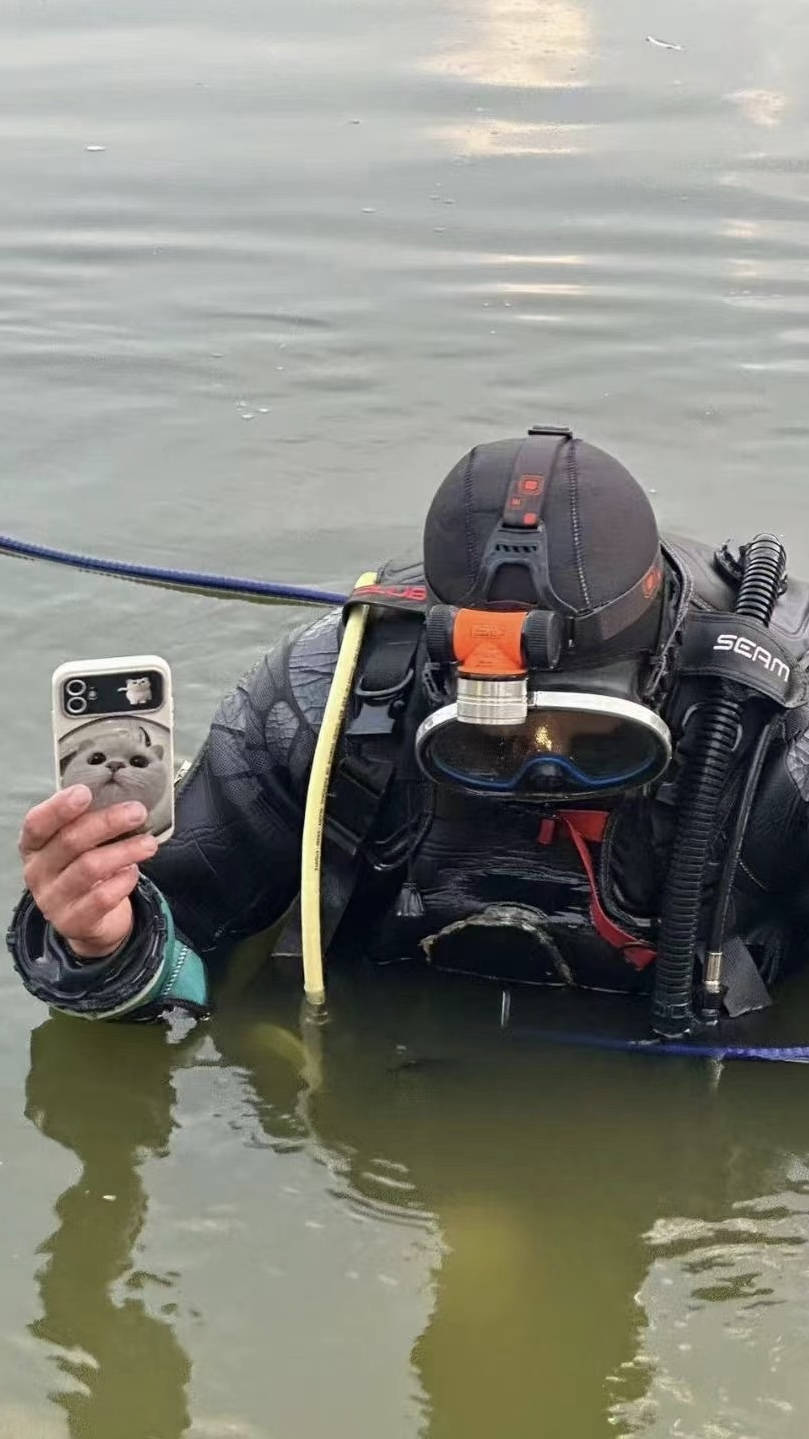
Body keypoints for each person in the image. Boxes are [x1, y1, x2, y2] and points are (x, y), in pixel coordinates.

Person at [9, 426, 809, 1039]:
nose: (539, 765)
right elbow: (176, 971)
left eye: (585, 733)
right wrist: (101, 942)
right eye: (495, 735)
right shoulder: (325, 699)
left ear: (656, 671)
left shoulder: (780, 736)